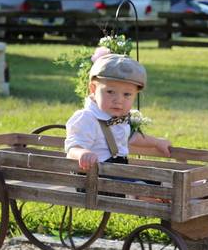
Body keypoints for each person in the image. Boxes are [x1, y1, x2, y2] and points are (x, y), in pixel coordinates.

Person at [65, 51, 172, 198]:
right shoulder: (86, 118)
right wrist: (82, 153)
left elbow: (132, 138)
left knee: (155, 177)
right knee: (136, 185)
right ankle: (144, 196)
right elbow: (72, 147)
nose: (118, 100)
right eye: (110, 92)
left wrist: (157, 142)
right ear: (93, 89)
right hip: (94, 177)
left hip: (118, 171)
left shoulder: (119, 118)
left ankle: (171, 191)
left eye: (127, 95)